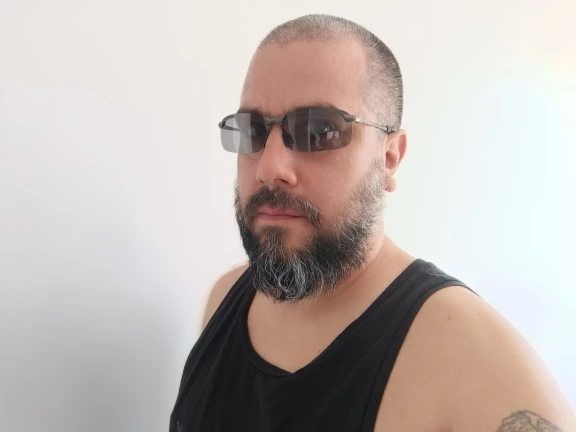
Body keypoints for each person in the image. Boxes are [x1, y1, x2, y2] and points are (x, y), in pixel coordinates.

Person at [169, 14, 575, 432]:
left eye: (318, 131)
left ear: (389, 157)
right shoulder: (224, 298)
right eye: (252, 131)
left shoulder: (473, 365)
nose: (269, 168)